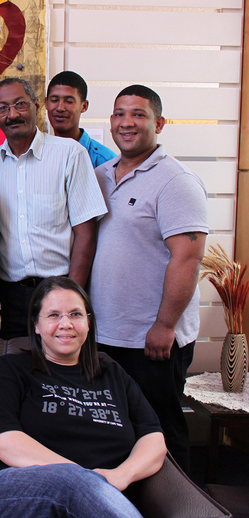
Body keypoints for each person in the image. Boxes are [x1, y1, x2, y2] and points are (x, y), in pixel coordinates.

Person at [0, 276, 166, 518]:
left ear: (88, 322)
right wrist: (81, 478)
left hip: (101, 496)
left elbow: (154, 439)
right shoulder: (11, 369)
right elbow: (1, 440)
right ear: (36, 324)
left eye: (75, 314)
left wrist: (120, 476)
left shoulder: (113, 374)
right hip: (13, 491)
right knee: (69, 481)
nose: (66, 324)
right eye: (53, 315)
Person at [90, 85, 207, 473]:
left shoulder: (176, 181)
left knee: (161, 432)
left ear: (158, 123)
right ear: (110, 123)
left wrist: (164, 324)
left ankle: (182, 505)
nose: (127, 122)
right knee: (120, 433)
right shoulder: (101, 175)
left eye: (138, 115)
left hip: (151, 340)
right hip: (107, 334)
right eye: (120, 114)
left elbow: (187, 258)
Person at [0, 78, 107, 340]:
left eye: (20, 105)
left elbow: (86, 233)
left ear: (36, 106)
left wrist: (72, 295)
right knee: (16, 371)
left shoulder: (70, 154)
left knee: (61, 372)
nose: (12, 114)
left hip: (60, 288)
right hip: (9, 297)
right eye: (3, 108)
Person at [45, 71, 116, 168]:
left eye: (69, 101)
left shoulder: (104, 161)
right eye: (54, 100)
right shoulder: (38, 155)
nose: (60, 108)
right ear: (46, 103)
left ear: (84, 106)